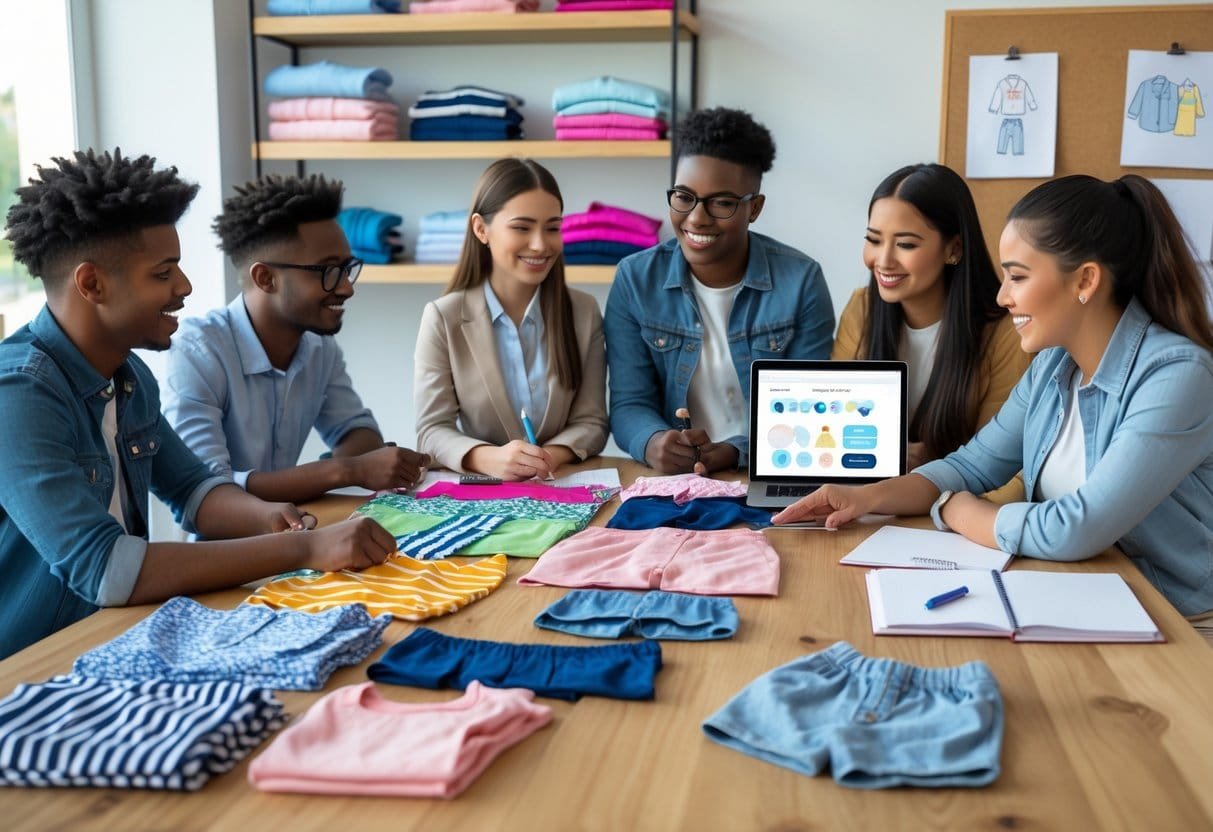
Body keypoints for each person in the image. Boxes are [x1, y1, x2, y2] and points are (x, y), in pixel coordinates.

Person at [0, 149, 397, 658]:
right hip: (34, 664)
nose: (185, 288)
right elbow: (104, 568)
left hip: (115, 639)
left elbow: (194, 491)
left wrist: (271, 518)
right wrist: (304, 547)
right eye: (164, 274)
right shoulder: (19, 393)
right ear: (92, 284)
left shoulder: (129, 375)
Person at [776, 174, 1213, 629]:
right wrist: (865, 498)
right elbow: (972, 466)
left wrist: (958, 510)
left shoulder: (1177, 375)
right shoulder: (1052, 366)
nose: (1003, 296)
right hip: (1083, 599)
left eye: (1018, 276)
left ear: (1084, 280)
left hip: (1178, 622)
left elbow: (1077, 528)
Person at [163, 173, 429, 503]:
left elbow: (357, 431)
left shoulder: (319, 346)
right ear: (266, 278)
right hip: (220, 549)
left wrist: (354, 465)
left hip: (295, 534)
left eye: (347, 268)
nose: (346, 287)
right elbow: (208, 491)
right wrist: (346, 471)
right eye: (329, 272)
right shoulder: (198, 351)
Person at [604, 107, 835, 475]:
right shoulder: (635, 279)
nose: (697, 217)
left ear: (754, 208)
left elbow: (806, 415)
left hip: (771, 472)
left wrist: (734, 451)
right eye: (684, 196)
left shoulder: (801, 282)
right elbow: (630, 403)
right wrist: (652, 442)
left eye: (722, 203)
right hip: (677, 479)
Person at [413, 157, 608, 480]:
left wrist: (545, 458)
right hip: (481, 495)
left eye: (553, 228)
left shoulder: (583, 311)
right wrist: (488, 459)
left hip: (559, 486)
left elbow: (592, 422)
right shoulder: (443, 318)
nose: (540, 244)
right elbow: (431, 431)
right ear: (481, 229)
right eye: (521, 227)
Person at [834, 163, 1032, 474]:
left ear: (953, 249)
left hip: (952, 506)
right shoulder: (862, 309)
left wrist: (929, 466)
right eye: (874, 240)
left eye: (905, 244)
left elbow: (997, 463)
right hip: (866, 497)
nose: (883, 261)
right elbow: (835, 428)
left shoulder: (1006, 334)